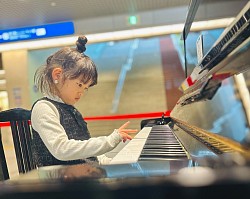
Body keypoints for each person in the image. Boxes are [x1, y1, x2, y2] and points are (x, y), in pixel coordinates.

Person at [31, 35, 137, 167]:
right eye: (80, 85)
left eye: (86, 88)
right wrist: (108, 141)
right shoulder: (44, 108)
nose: (81, 92)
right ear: (57, 75)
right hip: (61, 182)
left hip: (80, 176)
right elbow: (61, 149)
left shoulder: (69, 109)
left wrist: (113, 163)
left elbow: (87, 154)